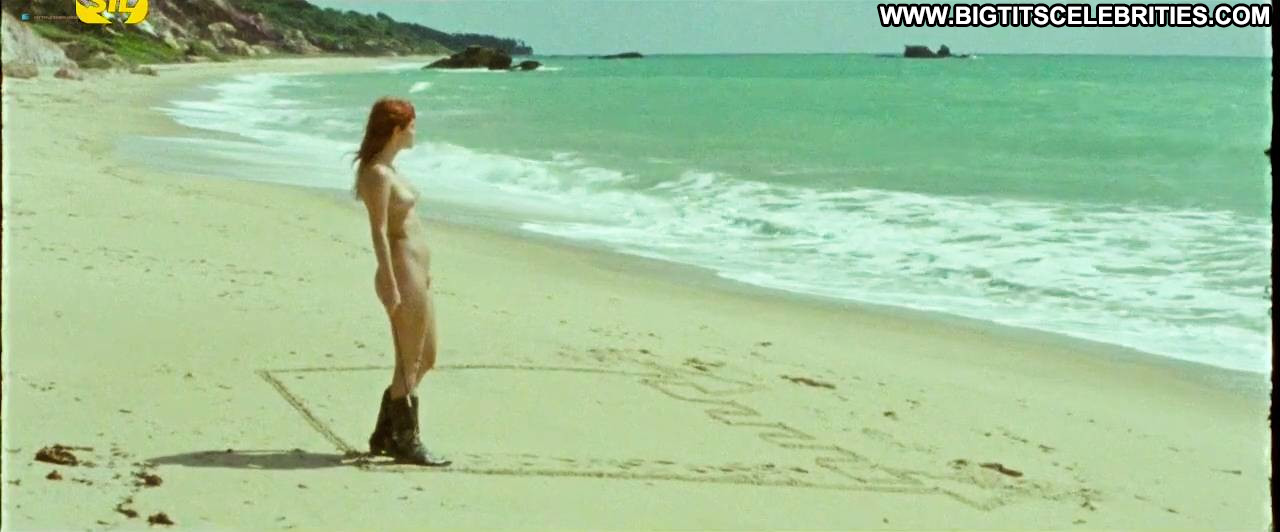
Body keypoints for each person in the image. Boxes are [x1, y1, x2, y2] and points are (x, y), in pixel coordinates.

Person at [352, 97, 450, 466]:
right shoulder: (376, 174)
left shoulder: (390, 169)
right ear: (396, 130)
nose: (415, 132)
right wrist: (391, 283)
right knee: (410, 361)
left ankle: (385, 432)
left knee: (427, 356)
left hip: (417, 271)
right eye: (411, 126)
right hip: (401, 271)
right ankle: (406, 440)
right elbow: (379, 231)